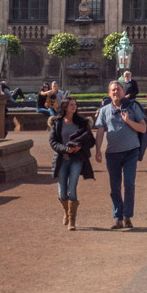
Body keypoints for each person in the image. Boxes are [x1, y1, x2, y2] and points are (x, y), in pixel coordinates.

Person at [94, 80, 147, 230]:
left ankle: (127, 217)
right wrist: (97, 150)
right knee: (114, 187)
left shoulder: (132, 106)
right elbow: (99, 131)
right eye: (113, 90)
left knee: (129, 184)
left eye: (118, 89)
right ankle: (117, 218)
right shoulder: (104, 110)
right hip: (112, 153)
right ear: (109, 93)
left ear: (124, 92)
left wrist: (129, 121)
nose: (116, 92)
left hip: (131, 151)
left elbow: (143, 128)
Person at [48, 96, 94, 230]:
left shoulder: (81, 122)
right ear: (65, 107)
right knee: (62, 191)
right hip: (62, 159)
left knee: (72, 187)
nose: (74, 107)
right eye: (71, 105)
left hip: (77, 159)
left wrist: (80, 147)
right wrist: (65, 149)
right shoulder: (57, 123)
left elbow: (90, 141)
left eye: (75, 104)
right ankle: (66, 211)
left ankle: (72, 221)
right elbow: (53, 142)